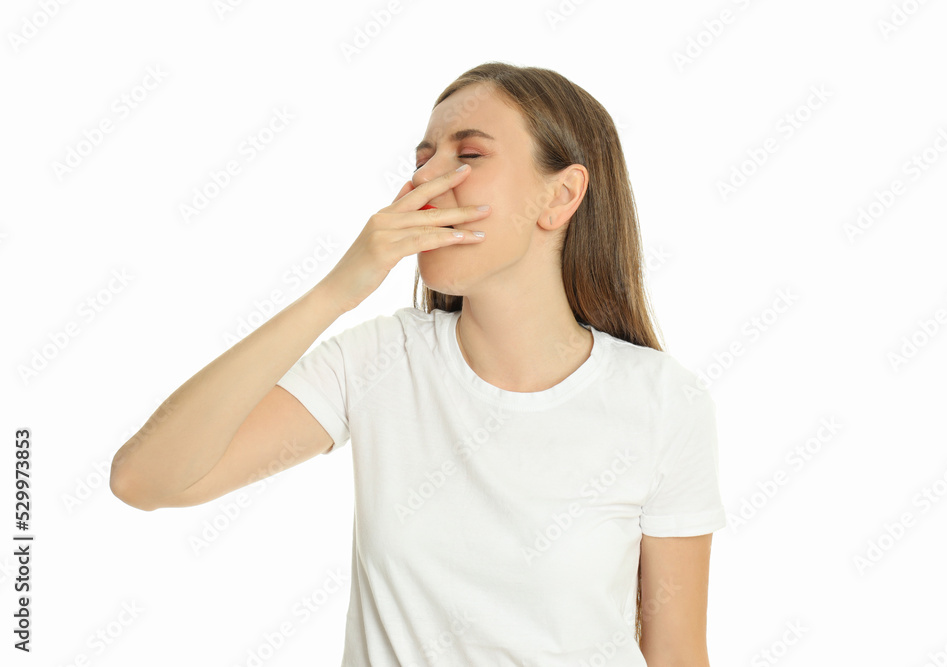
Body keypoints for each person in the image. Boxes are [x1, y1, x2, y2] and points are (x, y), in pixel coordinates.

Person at [110, 61, 726, 666]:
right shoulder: (379, 361)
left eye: (469, 155)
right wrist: (336, 292)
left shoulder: (662, 402)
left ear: (560, 196)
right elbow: (144, 479)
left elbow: (675, 654)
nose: (425, 182)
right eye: (422, 160)